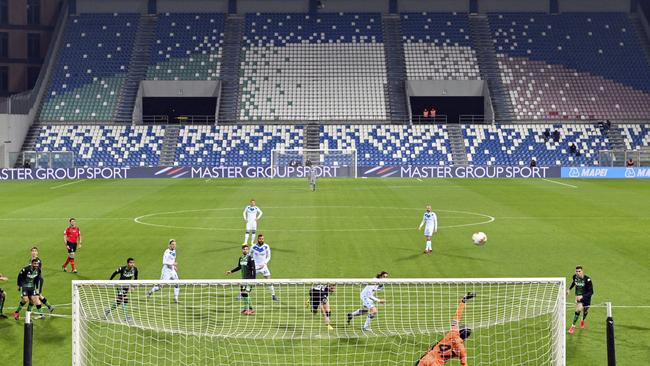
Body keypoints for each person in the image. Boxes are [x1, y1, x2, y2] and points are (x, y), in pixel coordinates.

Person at [416, 292, 476, 366]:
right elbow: (464, 364)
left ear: (459, 331)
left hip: (428, 358)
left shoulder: (454, 332)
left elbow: (457, 316)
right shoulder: (462, 349)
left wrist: (463, 301)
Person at [226, 244, 256, 315]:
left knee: (246, 293)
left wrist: (253, 280)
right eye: (244, 249)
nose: (245, 250)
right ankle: (246, 308)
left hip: (249, 279)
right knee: (243, 293)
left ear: (248, 250)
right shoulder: (241, 258)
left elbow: (253, 269)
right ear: (242, 250)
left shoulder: (250, 258)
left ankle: (251, 309)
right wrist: (231, 271)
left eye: (246, 249)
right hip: (243, 279)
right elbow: (239, 267)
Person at [567, 265, 593, 334]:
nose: (578, 273)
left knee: (585, 311)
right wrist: (569, 289)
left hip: (586, 298)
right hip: (578, 298)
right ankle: (573, 326)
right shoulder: (574, 277)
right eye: (576, 271)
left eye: (579, 271)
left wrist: (582, 296)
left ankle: (582, 320)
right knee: (578, 310)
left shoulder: (588, 280)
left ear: (582, 271)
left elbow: (591, 292)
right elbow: (574, 282)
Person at [251, 234, 278, 301]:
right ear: (258, 239)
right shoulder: (253, 247)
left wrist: (264, 263)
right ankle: (242, 294)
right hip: (255, 267)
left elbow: (268, 256)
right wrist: (252, 263)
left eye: (262, 239)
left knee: (269, 281)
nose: (261, 240)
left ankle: (273, 295)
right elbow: (249, 255)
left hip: (264, 267)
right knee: (248, 280)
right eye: (260, 239)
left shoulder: (266, 246)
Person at [29, 247, 54, 313]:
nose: (34, 252)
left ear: (37, 252)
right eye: (32, 251)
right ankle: (49, 306)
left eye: (35, 251)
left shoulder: (37, 261)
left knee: (36, 297)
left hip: (38, 280)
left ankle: (41, 314)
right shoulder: (31, 260)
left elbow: (36, 271)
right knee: (39, 295)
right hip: (34, 281)